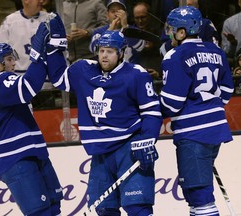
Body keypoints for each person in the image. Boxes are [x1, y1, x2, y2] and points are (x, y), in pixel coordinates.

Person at [46, 14, 162, 215]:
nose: (104, 56)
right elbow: (58, 78)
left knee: (137, 208)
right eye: (101, 51)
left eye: (110, 51)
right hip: (100, 152)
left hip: (128, 148)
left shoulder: (136, 74)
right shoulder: (83, 70)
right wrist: (55, 47)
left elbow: (152, 112)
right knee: (105, 209)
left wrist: (147, 140)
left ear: (121, 53)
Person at [0, 20, 63, 216]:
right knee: (40, 212)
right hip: (15, 158)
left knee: (53, 206)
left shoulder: (4, 82)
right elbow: (29, 87)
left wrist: (42, 55)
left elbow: (31, 82)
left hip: (29, 152)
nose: (14, 62)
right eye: (9, 59)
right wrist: (36, 54)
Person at [160, 6, 234, 215]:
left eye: (171, 29)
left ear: (182, 32)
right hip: (216, 131)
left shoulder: (175, 55)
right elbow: (227, 92)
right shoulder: (217, 52)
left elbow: (172, 103)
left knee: (199, 196)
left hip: (193, 134)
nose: (169, 33)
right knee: (198, 195)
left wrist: (150, 108)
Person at [0, 0, 50, 74]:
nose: (41, 1)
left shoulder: (50, 19)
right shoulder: (9, 21)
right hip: (18, 78)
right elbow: (1, 51)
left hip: (46, 78)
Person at [133, 1, 163, 79]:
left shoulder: (159, 34)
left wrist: (158, 74)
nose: (140, 21)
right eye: (137, 18)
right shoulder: (130, 34)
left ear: (149, 16)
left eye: (143, 17)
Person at [221, 0, 241, 67]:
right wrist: (233, 44)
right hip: (238, 68)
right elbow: (225, 55)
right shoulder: (229, 23)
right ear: (239, 3)